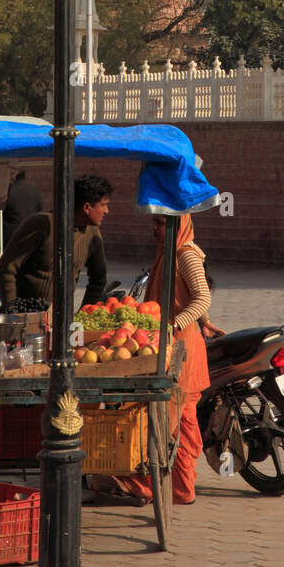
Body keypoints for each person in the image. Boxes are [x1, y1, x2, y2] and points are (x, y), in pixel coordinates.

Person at [90, 213, 213, 507]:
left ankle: (154, 485)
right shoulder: (169, 255)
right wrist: (205, 322)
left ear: (177, 226)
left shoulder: (185, 255)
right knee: (180, 421)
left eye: (160, 224)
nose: (154, 230)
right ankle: (180, 487)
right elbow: (194, 298)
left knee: (169, 421)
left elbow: (202, 297)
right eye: (154, 224)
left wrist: (175, 324)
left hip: (180, 349)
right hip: (172, 345)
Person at [0, 174, 111, 308]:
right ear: (87, 207)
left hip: (62, 318)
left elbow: (99, 278)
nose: (107, 211)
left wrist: (86, 312)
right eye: (104, 205)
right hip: (28, 317)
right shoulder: (42, 224)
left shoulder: (93, 234)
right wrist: (12, 311)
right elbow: (5, 270)